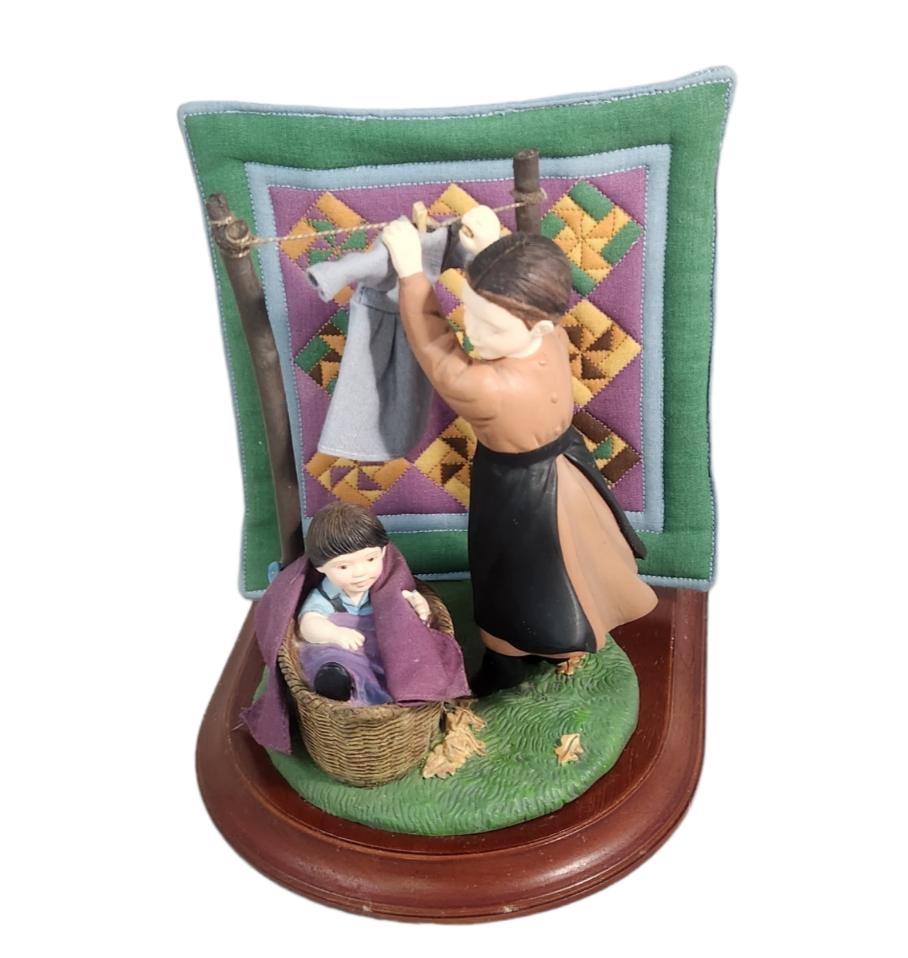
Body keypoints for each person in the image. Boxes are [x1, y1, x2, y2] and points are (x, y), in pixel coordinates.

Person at [382, 215, 658, 695]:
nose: (471, 332)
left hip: (518, 492)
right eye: (468, 311)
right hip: (568, 472)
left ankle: (507, 658)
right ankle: (560, 641)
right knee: (574, 563)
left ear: (540, 323)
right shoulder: (552, 336)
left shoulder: (487, 386)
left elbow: (435, 346)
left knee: (508, 577)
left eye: (490, 325)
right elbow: (516, 297)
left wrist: (412, 275)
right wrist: (494, 248)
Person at [297, 502, 430, 706]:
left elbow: (408, 601)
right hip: (346, 651)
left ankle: (409, 687)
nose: (360, 573)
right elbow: (309, 622)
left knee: (411, 652)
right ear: (320, 567)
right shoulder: (326, 595)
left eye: (370, 560)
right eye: (343, 566)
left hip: (387, 649)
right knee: (329, 656)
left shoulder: (389, 585)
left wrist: (419, 606)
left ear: (383, 552)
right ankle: (339, 684)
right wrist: (333, 633)